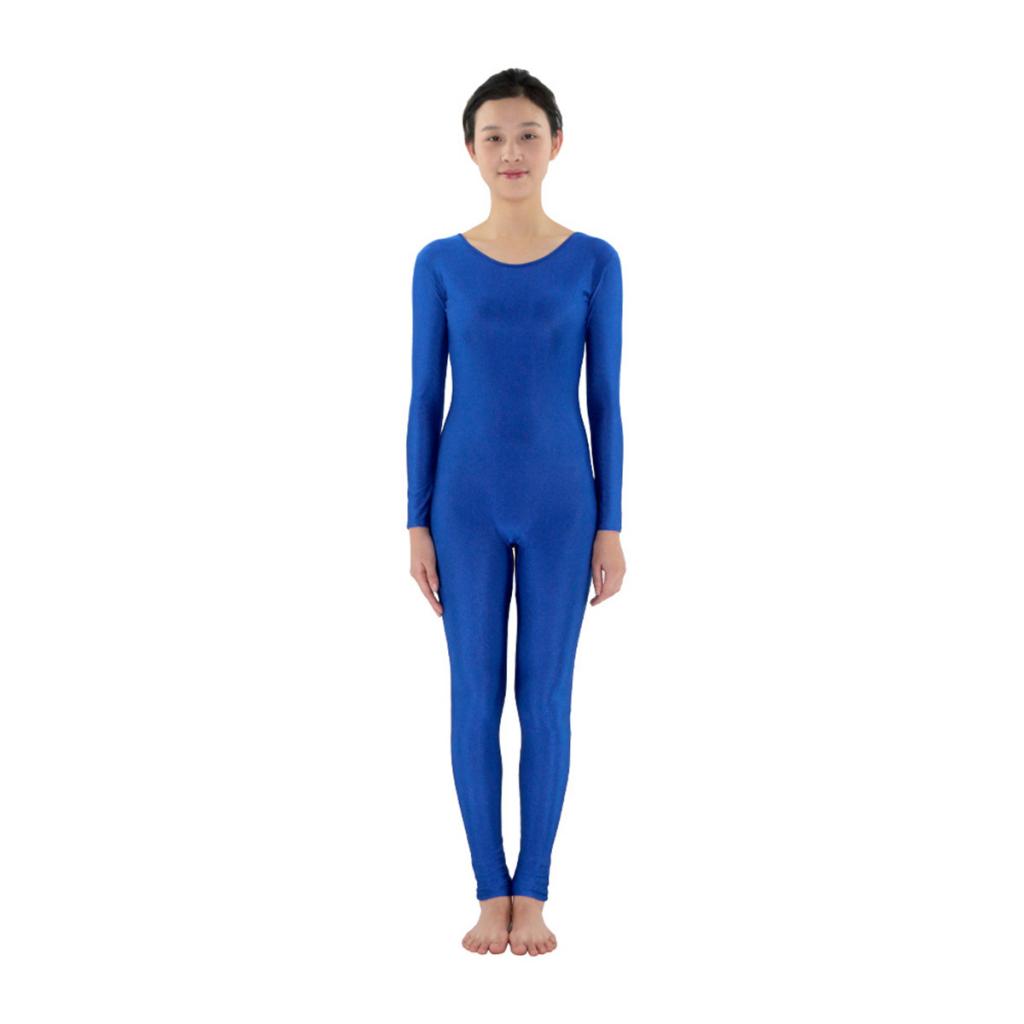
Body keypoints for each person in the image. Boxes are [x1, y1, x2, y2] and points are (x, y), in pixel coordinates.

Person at [405, 68, 626, 956]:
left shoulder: (595, 261)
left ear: (556, 144)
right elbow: (424, 397)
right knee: (472, 697)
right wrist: (415, 521)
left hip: (565, 509)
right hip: (462, 507)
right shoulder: (438, 262)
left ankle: (531, 892)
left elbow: (605, 401)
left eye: (528, 134)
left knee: (544, 698)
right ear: (470, 149)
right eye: (493, 136)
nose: (511, 151)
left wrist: (612, 523)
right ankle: (486, 889)